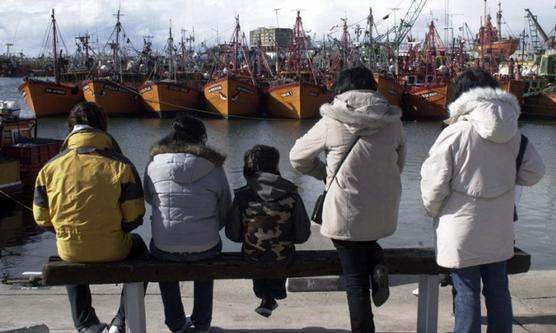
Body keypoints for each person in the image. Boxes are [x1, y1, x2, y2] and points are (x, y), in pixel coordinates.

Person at [420, 68, 545, 333]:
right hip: (499, 228)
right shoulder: (514, 133)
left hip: (461, 227)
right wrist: (504, 182)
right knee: (498, 290)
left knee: (466, 292)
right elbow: (535, 172)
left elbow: (433, 183)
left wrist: (433, 209)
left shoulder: (455, 133)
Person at [289, 66, 406, 333]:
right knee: (366, 236)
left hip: (346, 211)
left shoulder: (332, 120)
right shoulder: (393, 121)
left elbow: (297, 157)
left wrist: (324, 174)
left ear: (342, 89)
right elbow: (399, 164)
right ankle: (375, 257)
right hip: (383, 210)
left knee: (355, 281)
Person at [33, 102, 148, 333]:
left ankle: (86, 325)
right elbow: (135, 217)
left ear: (71, 129)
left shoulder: (49, 168)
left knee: (69, 252)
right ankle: (121, 321)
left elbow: (41, 218)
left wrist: (69, 229)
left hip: (71, 250)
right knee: (140, 248)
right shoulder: (121, 164)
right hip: (114, 248)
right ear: (102, 127)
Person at [143, 115, 231, 333]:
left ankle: (175, 322)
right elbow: (225, 206)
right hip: (206, 246)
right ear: (200, 139)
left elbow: (148, 197)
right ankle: (202, 323)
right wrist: (209, 228)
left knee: (161, 257)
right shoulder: (214, 167)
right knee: (208, 256)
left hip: (165, 246)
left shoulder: (154, 164)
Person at [226, 145, 311, 318]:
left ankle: (265, 295)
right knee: (277, 254)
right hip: (283, 257)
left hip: (252, 257)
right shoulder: (291, 193)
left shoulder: (243, 195)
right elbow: (302, 235)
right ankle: (270, 296)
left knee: (259, 254)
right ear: (275, 165)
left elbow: (232, 235)